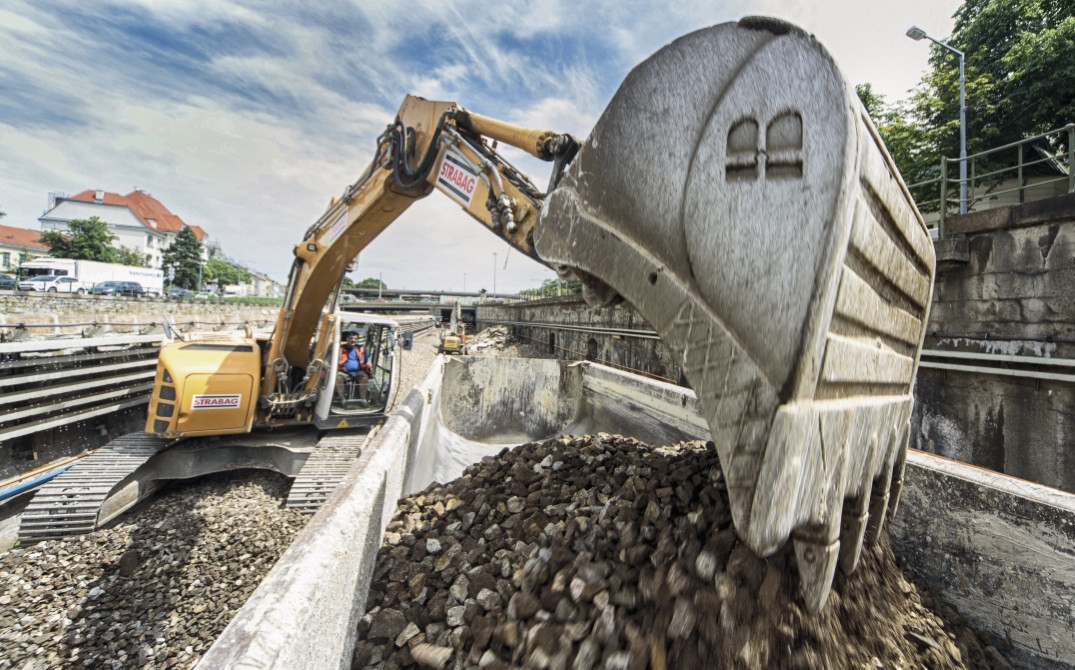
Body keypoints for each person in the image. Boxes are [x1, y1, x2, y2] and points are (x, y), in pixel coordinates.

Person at [336, 331, 372, 404]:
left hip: (357, 371)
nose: (353, 340)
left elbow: (367, 360)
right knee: (338, 378)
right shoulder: (339, 349)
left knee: (364, 378)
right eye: (351, 338)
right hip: (343, 371)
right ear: (346, 339)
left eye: (355, 338)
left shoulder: (361, 349)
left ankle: (363, 399)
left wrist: (369, 365)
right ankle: (342, 399)